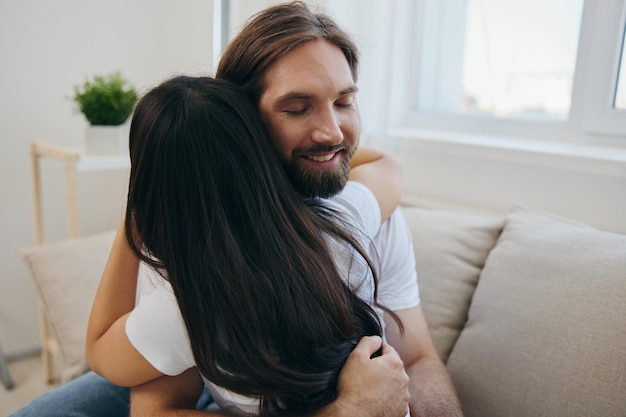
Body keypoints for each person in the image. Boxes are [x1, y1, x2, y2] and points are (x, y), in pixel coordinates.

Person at [11, 2, 462, 416]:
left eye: (344, 101)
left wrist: (145, 198)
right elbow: (155, 409)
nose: (331, 131)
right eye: (297, 108)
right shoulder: (348, 217)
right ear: (242, 120)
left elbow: (418, 358)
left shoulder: (354, 213)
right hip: (209, 374)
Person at [84, 74, 409, 416]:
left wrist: (138, 205)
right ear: (261, 154)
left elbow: (99, 349)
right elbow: (387, 165)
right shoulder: (341, 224)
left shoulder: (187, 308)